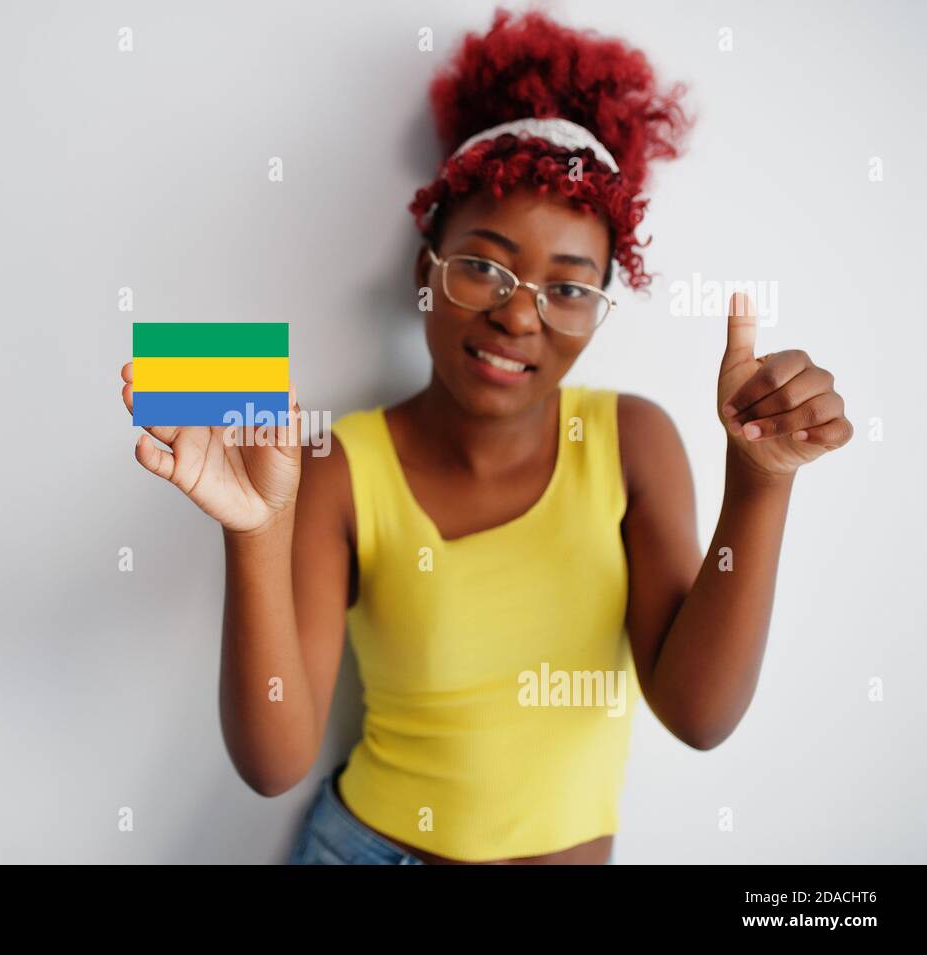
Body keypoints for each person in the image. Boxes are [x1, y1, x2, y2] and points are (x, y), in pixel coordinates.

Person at [119, 9, 851, 864]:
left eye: (568, 287)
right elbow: (274, 762)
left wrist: (760, 483)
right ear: (424, 268)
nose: (517, 314)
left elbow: (699, 714)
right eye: (483, 265)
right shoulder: (337, 464)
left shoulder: (634, 443)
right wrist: (253, 532)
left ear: (600, 309)